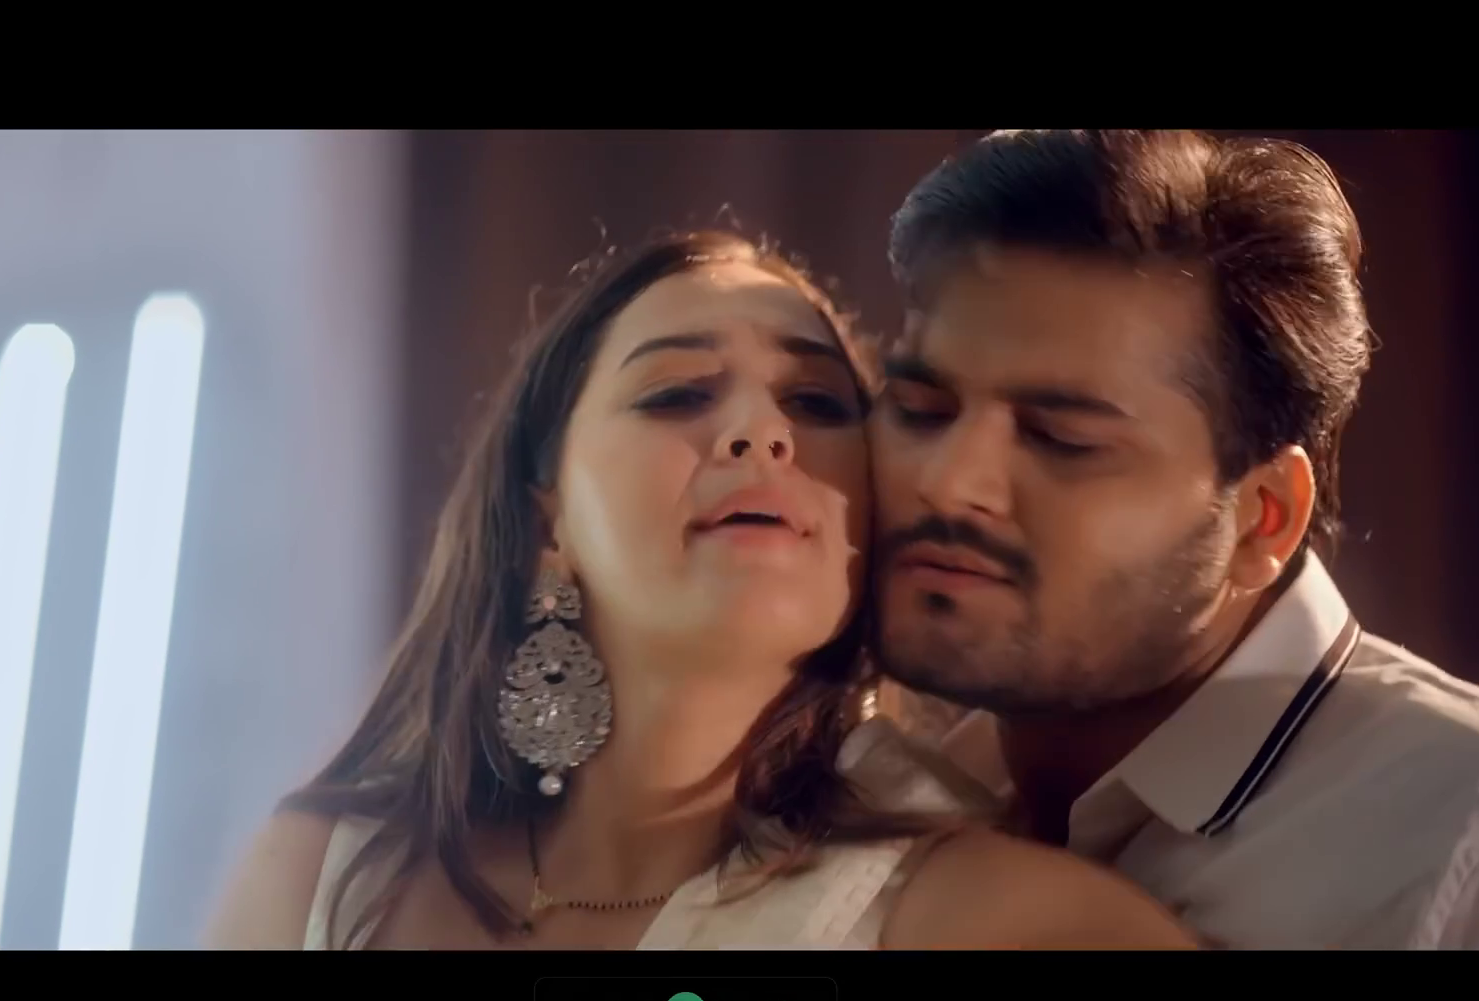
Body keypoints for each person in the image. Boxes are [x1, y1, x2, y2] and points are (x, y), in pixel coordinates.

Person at [204, 228, 1195, 950]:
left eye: (817, 403)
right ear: (548, 522)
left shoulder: (1016, 926)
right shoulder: (325, 883)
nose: (762, 434)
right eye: (678, 393)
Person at [850, 128, 1479, 949]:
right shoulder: (892, 795)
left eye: (1062, 439)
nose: (946, 481)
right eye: (922, 410)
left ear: (1264, 517)